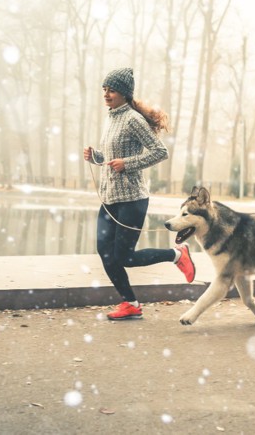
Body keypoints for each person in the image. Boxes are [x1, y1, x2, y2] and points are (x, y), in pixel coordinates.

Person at [83, 68, 195, 320]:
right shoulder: (111, 117)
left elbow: (160, 151)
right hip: (110, 199)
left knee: (125, 257)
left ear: (124, 93)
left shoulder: (133, 119)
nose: (106, 94)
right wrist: (96, 157)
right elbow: (112, 158)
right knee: (105, 252)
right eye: (104, 90)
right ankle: (130, 303)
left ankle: (177, 254)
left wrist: (128, 163)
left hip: (132, 199)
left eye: (111, 90)